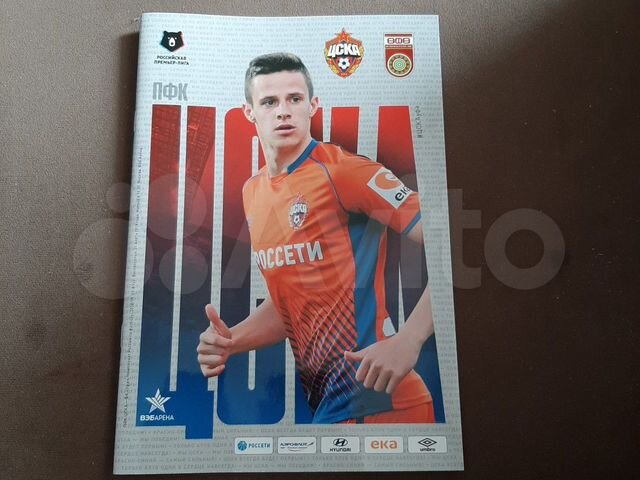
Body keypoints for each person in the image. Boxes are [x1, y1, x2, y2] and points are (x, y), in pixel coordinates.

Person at [197, 52, 435, 424]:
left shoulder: (344, 172)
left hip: (380, 400)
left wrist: (410, 339)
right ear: (249, 112)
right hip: (328, 403)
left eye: (294, 99)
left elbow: (450, 242)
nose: (283, 111)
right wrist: (232, 341)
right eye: (269, 102)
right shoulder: (253, 192)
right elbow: (296, 301)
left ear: (313, 105)